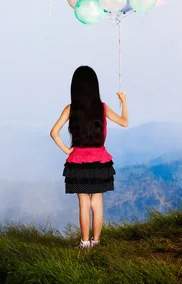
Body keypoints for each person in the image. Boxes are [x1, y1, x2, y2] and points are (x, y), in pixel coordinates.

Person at [49, 66, 128, 249]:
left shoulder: (70, 109)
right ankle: (97, 242)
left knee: (84, 203)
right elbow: (124, 122)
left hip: (78, 161)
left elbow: (54, 133)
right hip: (100, 160)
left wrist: (67, 151)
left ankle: (85, 243)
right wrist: (123, 101)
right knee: (97, 202)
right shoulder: (102, 108)